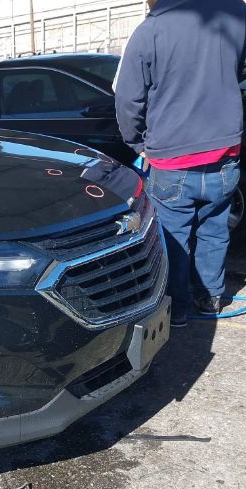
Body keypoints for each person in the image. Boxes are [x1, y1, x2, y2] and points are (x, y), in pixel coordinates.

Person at [114, 0, 246, 327]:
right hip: (223, 153)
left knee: (173, 236)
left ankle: (177, 309)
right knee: (215, 229)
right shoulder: (235, 13)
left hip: (171, 159)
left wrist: (137, 143)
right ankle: (211, 296)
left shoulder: (150, 31)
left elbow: (128, 101)